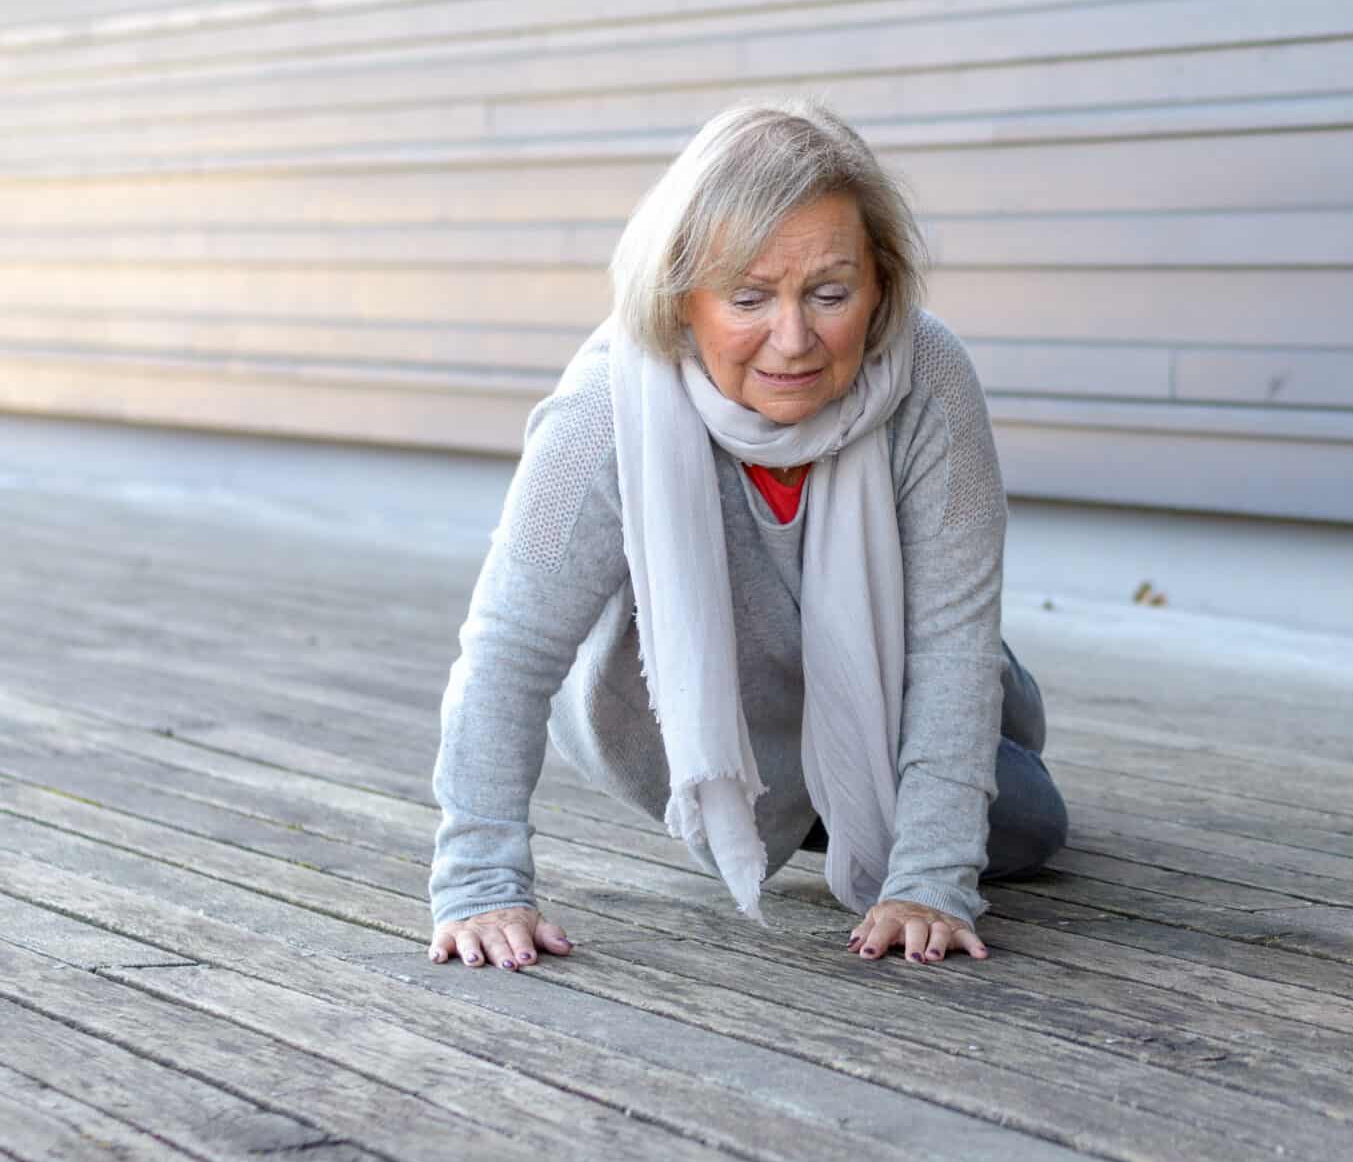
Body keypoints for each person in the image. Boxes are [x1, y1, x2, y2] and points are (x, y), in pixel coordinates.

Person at [426, 100, 1065, 971]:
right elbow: (506, 648)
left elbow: (949, 646)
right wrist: (479, 886)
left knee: (1012, 779)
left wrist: (927, 882)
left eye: (830, 294)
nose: (794, 340)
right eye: (750, 297)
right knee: (1010, 804)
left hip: (890, 665)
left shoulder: (931, 375)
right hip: (689, 718)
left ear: (881, 286)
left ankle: (1001, 689)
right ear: (681, 294)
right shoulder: (597, 413)